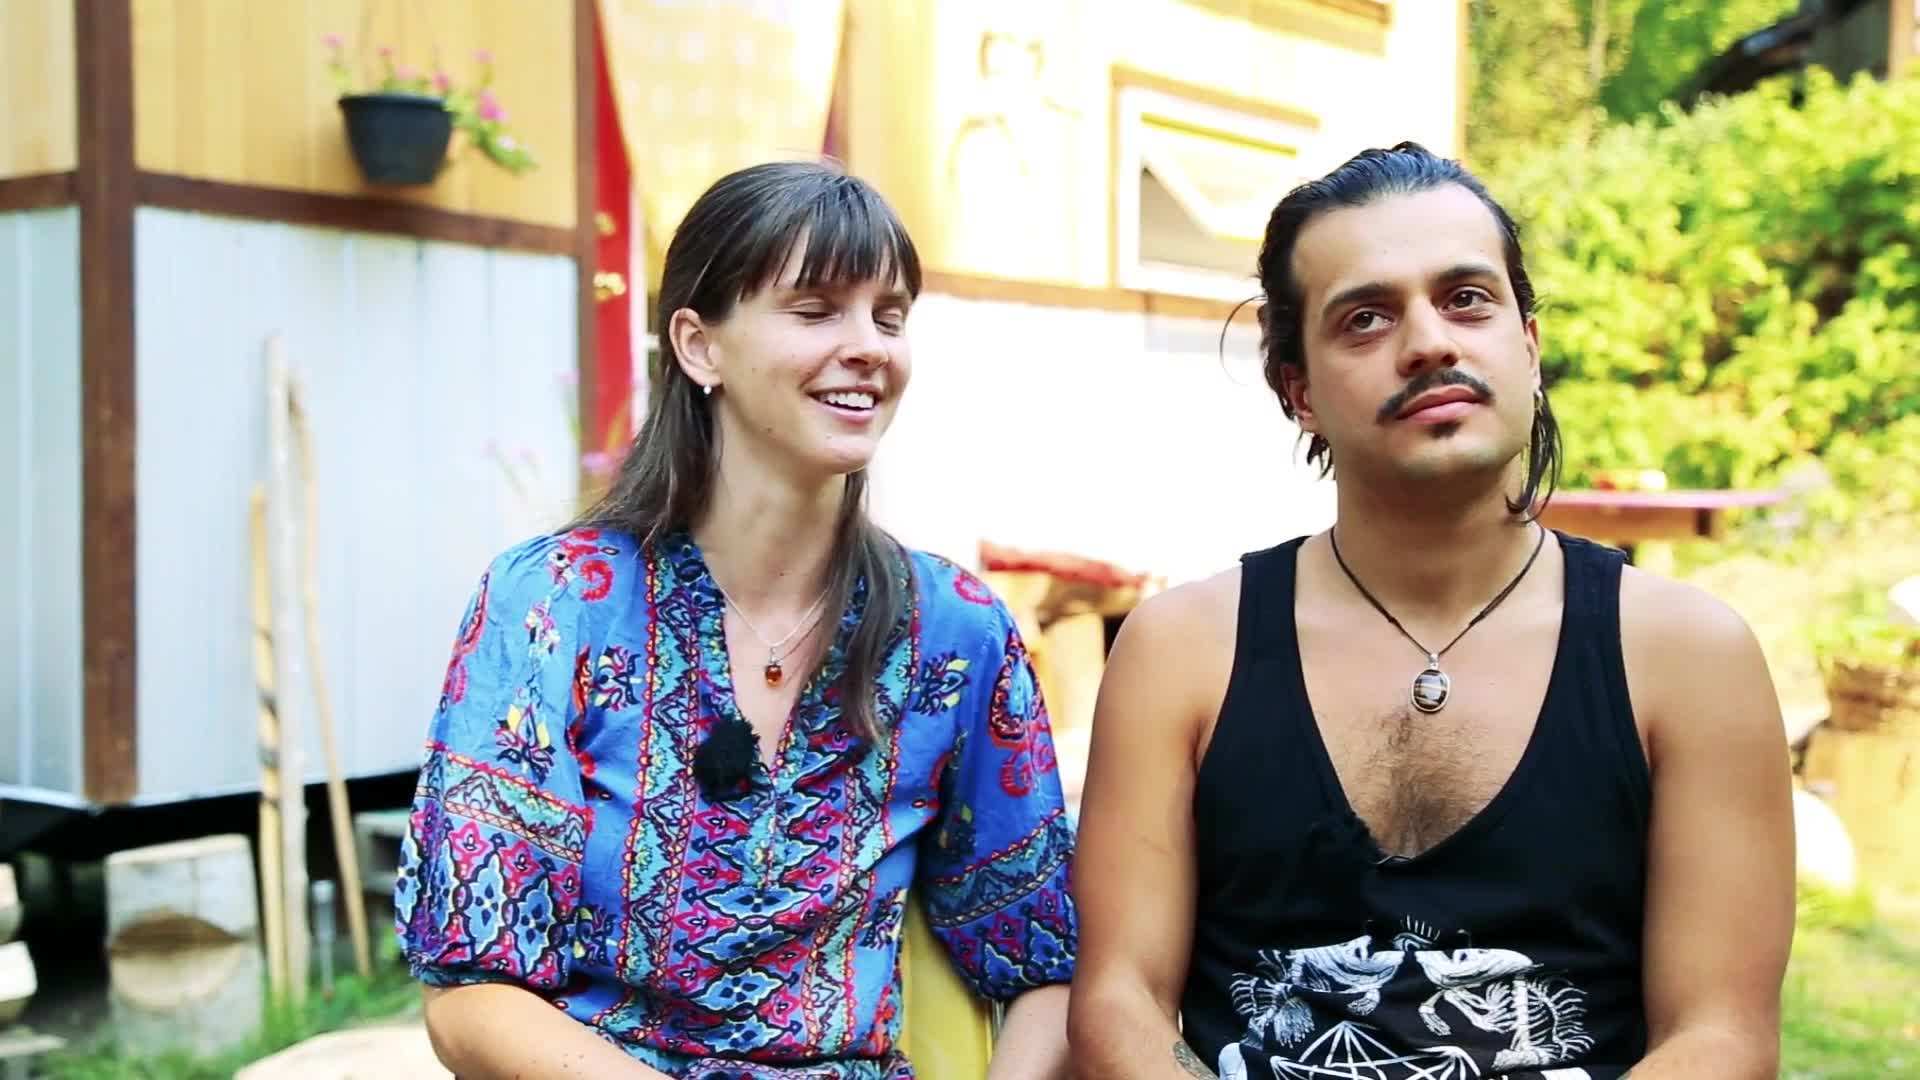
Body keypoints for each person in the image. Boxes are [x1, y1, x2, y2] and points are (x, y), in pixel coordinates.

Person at [1067, 142, 1794, 1079]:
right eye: (1366, 319)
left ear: (1528, 347)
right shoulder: (1181, 652)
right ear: (1299, 392)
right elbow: (1119, 1001)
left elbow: (1722, 1036)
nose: (1430, 342)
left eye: (1466, 299)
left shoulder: (1689, 658)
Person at [396, 161, 1077, 1079]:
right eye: (815, 309)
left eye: (889, 314)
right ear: (699, 345)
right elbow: (472, 992)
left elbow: (1045, 962)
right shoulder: (555, 604)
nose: (870, 345)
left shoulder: (955, 631)